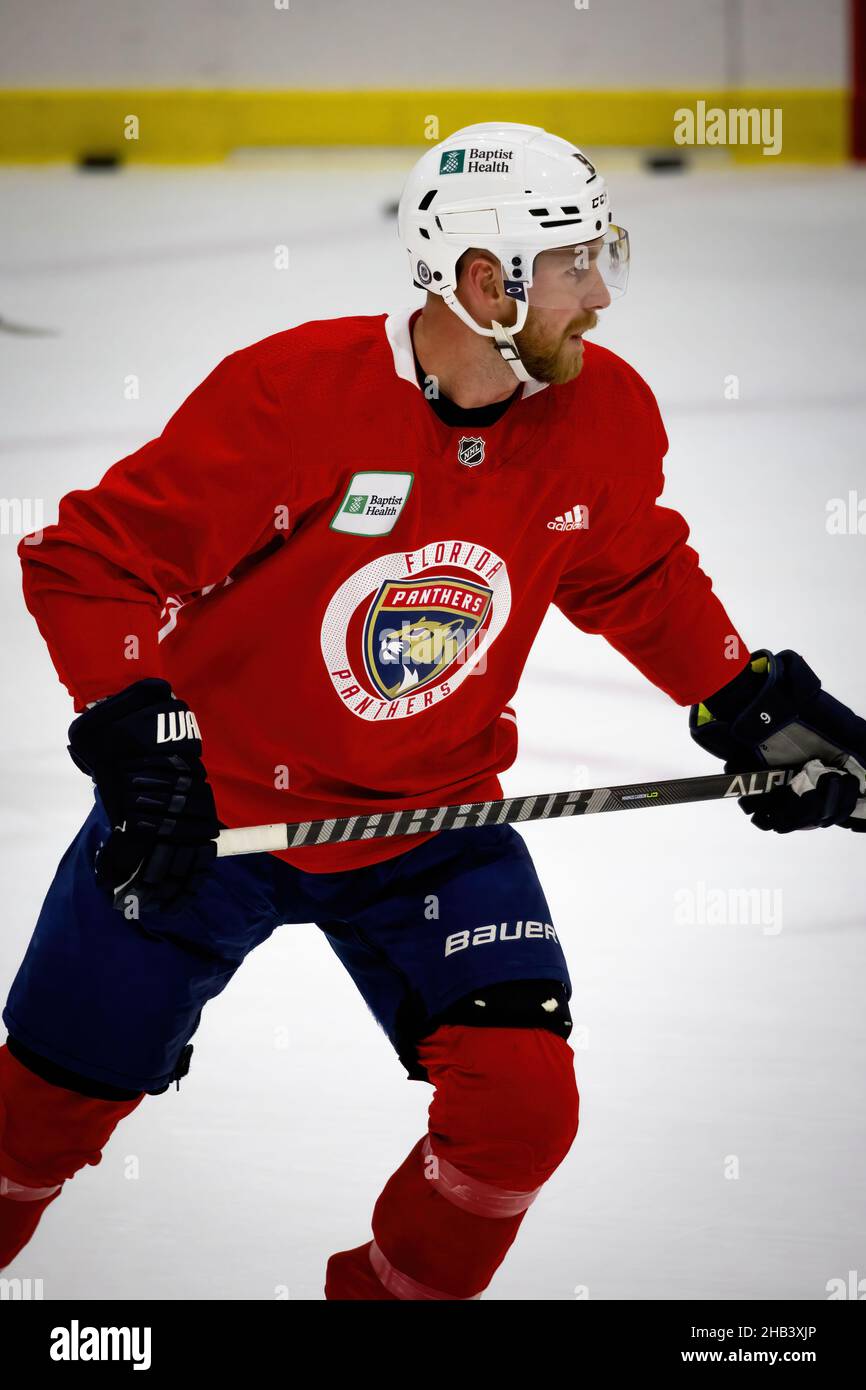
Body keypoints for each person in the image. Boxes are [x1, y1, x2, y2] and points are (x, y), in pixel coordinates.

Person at [2, 122, 864, 1301]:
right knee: (30, 1130)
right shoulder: (293, 393)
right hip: (204, 824)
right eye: (571, 264)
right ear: (480, 280)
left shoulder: (599, 414)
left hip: (430, 822)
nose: (599, 293)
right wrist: (139, 735)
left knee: (518, 1119)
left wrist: (743, 698)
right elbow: (88, 561)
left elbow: (631, 572)